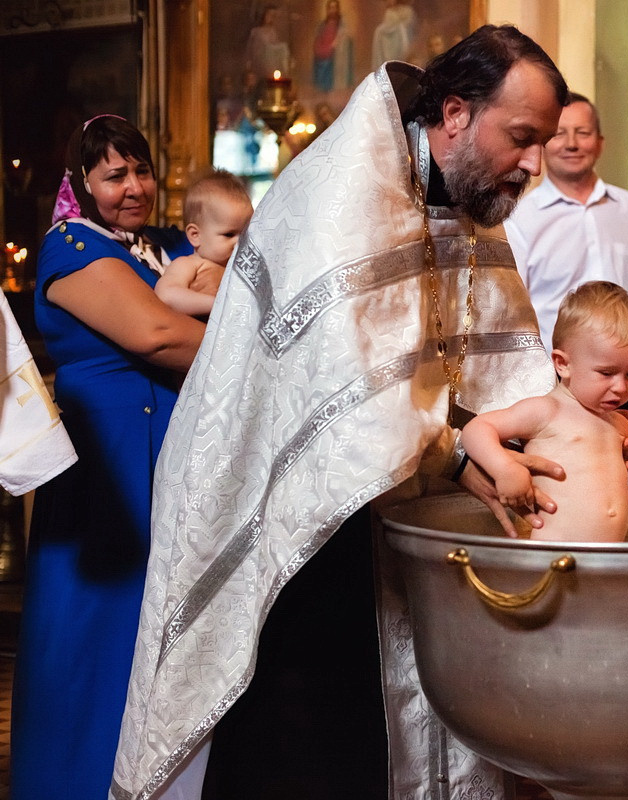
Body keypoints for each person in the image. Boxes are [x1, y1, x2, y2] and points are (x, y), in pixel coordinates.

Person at [112, 25, 569, 799]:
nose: (534, 164)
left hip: (407, 531)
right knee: (313, 747)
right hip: (298, 526)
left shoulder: (467, 203)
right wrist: (462, 448)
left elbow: (495, 365)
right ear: (455, 113)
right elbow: (339, 390)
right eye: (522, 138)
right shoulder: (338, 192)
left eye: (543, 142)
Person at [11, 115, 207, 800]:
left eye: (142, 171)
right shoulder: (70, 244)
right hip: (108, 477)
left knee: (165, 642)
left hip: (174, 465)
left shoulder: (168, 243)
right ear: (83, 182)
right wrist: (261, 352)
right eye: (114, 174)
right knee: (95, 641)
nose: (133, 187)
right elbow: (155, 334)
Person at [505, 92, 628, 441]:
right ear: (542, 143)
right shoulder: (519, 217)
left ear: (599, 144)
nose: (571, 143)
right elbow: (513, 307)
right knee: (561, 479)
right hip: (553, 381)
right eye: (559, 133)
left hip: (625, 378)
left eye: (582, 133)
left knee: (626, 476)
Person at [463, 281, 628, 542]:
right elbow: (476, 429)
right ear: (563, 364)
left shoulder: (618, 424)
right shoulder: (546, 411)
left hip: (608, 560)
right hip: (554, 558)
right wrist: (504, 468)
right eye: (606, 373)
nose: (621, 387)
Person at [154, 170, 252, 317]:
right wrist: (218, 304)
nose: (239, 242)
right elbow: (166, 295)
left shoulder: (246, 265)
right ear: (195, 235)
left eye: (245, 234)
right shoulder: (189, 264)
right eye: (229, 234)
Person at [312, 0, 354, 93]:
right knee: (320, 55)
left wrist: (336, 43)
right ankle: (322, 88)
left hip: (335, 50)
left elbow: (345, 36)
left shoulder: (341, 24)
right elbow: (319, 38)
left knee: (329, 57)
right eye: (330, 7)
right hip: (324, 48)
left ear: (337, 9)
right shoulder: (323, 24)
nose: (332, 10)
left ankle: (330, 88)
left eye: (334, 7)